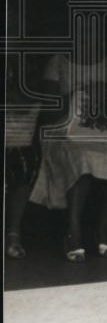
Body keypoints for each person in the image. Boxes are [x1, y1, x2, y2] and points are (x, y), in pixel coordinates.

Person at [29, 45, 107, 260]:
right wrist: (79, 94)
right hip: (63, 129)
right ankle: (74, 232)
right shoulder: (58, 61)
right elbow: (50, 109)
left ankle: (103, 230)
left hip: (100, 131)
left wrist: (104, 96)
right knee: (81, 160)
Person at [4, 57, 43, 259]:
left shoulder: (35, 83)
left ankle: (13, 236)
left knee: (24, 164)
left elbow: (23, 105)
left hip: (21, 145)